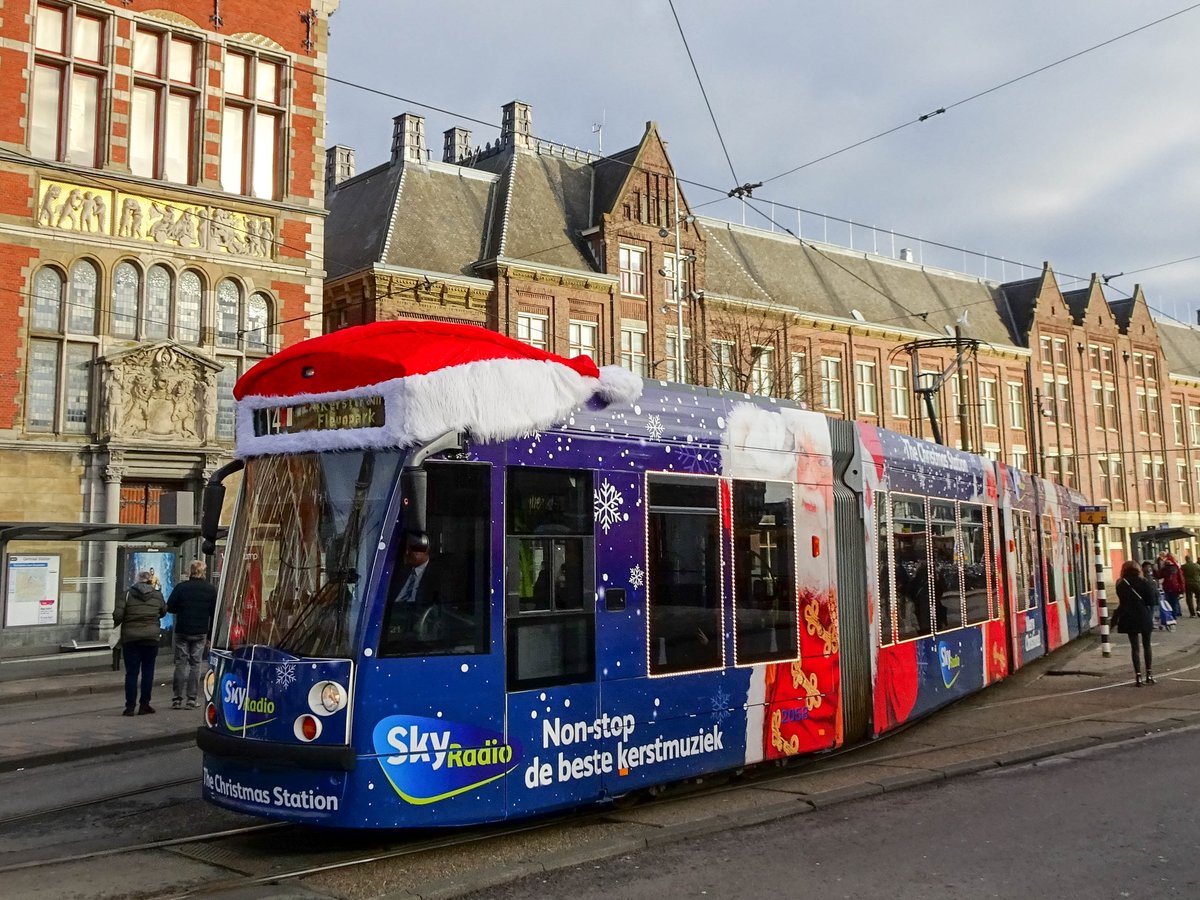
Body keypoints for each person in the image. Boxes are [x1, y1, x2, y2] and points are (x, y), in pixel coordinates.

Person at [114, 570, 167, 715]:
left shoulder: (126, 595)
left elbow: (117, 615)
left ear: (137, 580)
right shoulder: (157, 595)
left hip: (130, 638)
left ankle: (130, 707)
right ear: (150, 580)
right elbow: (163, 612)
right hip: (151, 638)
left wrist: (124, 622)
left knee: (131, 673)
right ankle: (144, 705)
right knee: (148, 672)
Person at [167, 560, 217, 710]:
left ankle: (176, 698)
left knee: (180, 664)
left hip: (182, 630)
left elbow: (170, 607)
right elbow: (214, 613)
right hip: (200, 631)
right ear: (203, 572)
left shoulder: (181, 588)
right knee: (196, 664)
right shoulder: (210, 589)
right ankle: (191, 699)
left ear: (191, 571)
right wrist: (210, 635)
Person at [1114, 560, 1157, 686]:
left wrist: (1115, 619)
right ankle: (1149, 674)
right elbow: (1151, 601)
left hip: (1129, 617)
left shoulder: (1121, 584)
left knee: (1135, 647)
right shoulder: (1144, 582)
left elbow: (1122, 602)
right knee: (1147, 645)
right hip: (1143, 616)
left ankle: (1138, 676)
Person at [1158, 551, 1185, 620]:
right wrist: (1182, 588)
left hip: (1167, 587)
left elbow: (1159, 575)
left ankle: (1170, 615)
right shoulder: (1176, 568)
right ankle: (1173, 616)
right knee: (1174, 601)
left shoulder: (1164, 569)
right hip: (1175, 587)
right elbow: (1180, 578)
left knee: (1168, 601)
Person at [1182, 553, 1200, 618]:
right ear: (1191, 559)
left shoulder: (1183, 566)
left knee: (1189, 598)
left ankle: (1192, 613)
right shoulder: (1197, 566)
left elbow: (1181, 575)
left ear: (1186, 559)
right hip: (1197, 583)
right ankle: (1199, 609)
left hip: (1188, 584)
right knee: (1199, 597)